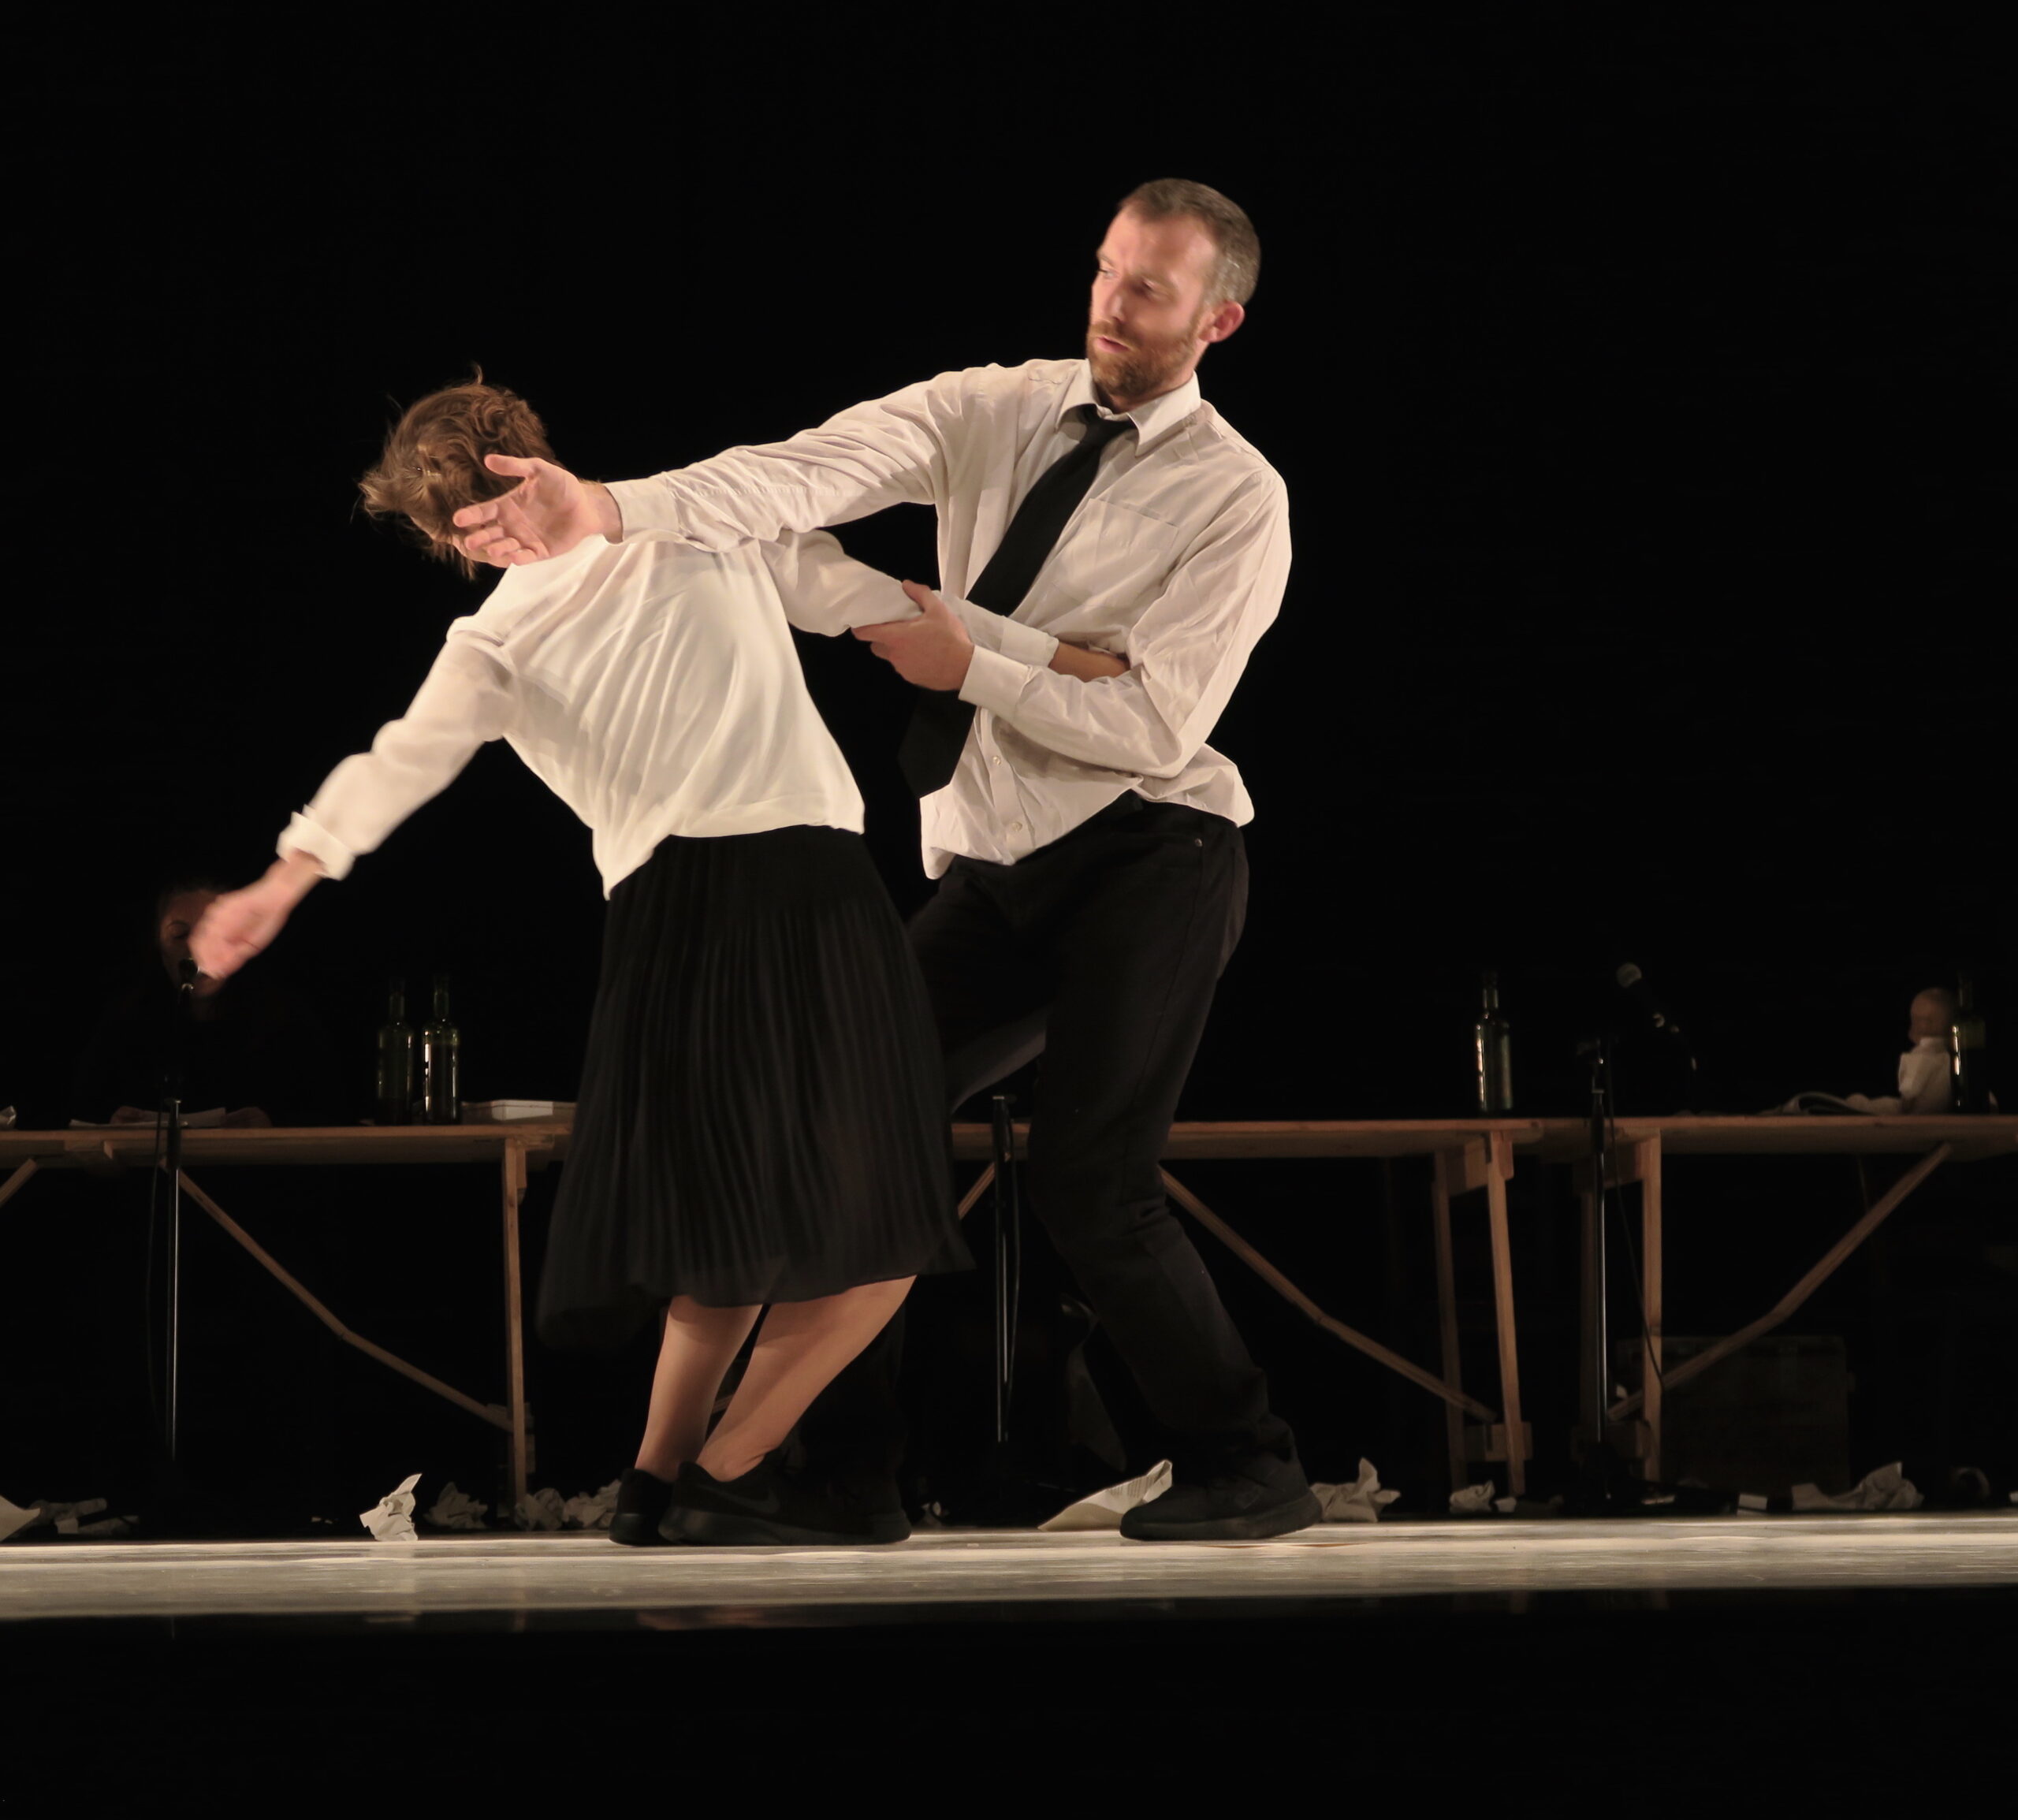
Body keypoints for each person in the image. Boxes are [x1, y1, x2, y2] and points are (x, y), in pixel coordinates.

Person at [452, 179, 1317, 1543]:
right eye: (1103, 268)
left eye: (1147, 286)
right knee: (843, 1144)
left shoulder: (1237, 496)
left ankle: (1247, 1455)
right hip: (993, 859)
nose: (1108, 300)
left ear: (1219, 317)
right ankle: (844, 1472)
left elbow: (1156, 719)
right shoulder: (998, 404)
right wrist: (603, 507)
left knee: (1092, 1177)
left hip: (1157, 849)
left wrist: (969, 657)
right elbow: (797, 470)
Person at [188, 377, 987, 1547]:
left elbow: (396, 761)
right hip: (795, 887)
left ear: (453, 524)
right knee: (893, 1223)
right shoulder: (640, 558)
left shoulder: (542, 605)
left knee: (730, 1230)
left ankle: (652, 1483)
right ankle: (721, 1467)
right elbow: (893, 616)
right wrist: (1041, 664)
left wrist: (282, 878)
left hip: (673, 916)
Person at [73, 876, 342, 1128]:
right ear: (158, 943)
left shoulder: (285, 1018)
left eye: (212, 931)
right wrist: (111, 1126)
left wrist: (273, 1126)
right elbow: (81, 1116)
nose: (195, 948)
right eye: (179, 935)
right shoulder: (126, 1020)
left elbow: (332, 1114)